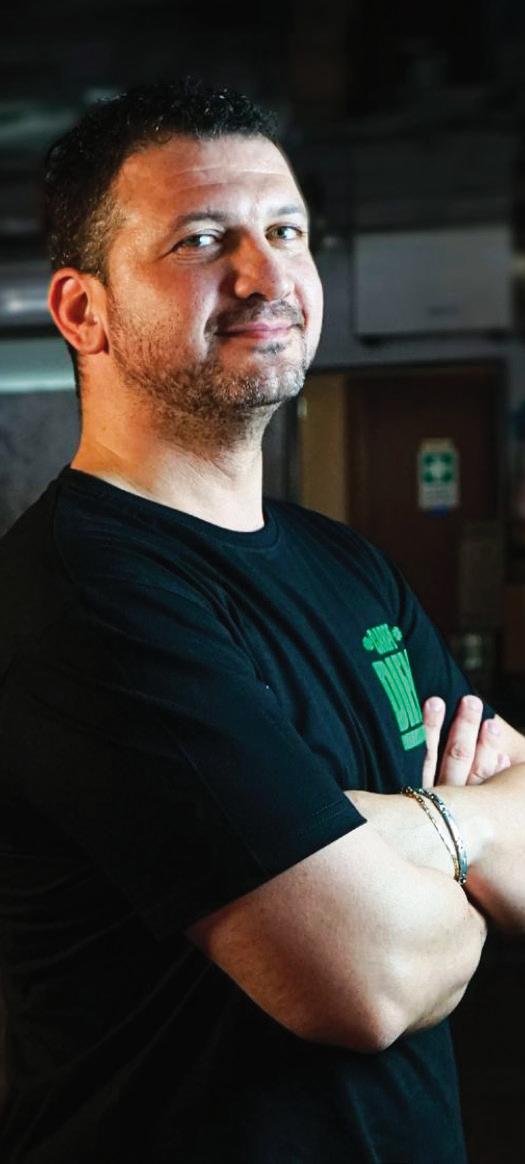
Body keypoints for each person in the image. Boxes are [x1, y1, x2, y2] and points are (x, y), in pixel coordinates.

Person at [0, 78, 525, 1164]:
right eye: (202, 240)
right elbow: (368, 979)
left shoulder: (350, 567)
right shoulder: (80, 595)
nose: (265, 275)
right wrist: (462, 829)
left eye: (285, 231)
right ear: (83, 311)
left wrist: (393, 836)